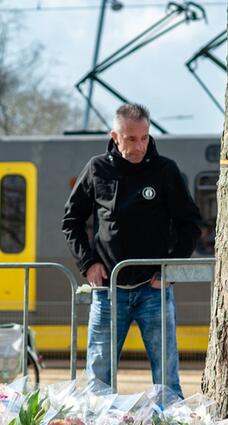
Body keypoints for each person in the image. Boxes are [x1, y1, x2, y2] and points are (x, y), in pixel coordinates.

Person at [61, 103, 201, 399]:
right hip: (108, 291)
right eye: (130, 139)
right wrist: (88, 263)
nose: (139, 146)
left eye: (144, 138)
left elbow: (190, 224)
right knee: (99, 378)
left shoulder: (165, 170)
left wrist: (170, 269)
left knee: (166, 377)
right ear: (115, 136)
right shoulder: (97, 169)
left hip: (154, 291)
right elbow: (71, 221)